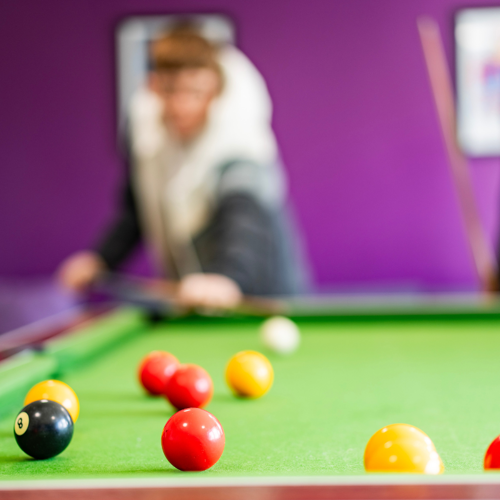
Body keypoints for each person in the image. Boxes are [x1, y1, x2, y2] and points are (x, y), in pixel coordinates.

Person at [57, 26, 308, 309]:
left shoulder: (238, 137)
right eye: (170, 90)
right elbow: (138, 209)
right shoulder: (148, 134)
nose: (181, 105)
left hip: (261, 296)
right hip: (197, 296)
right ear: (153, 86)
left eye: (194, 91)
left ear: (215, 91)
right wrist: (101, 259)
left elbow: (244, 216)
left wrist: (226, 277)